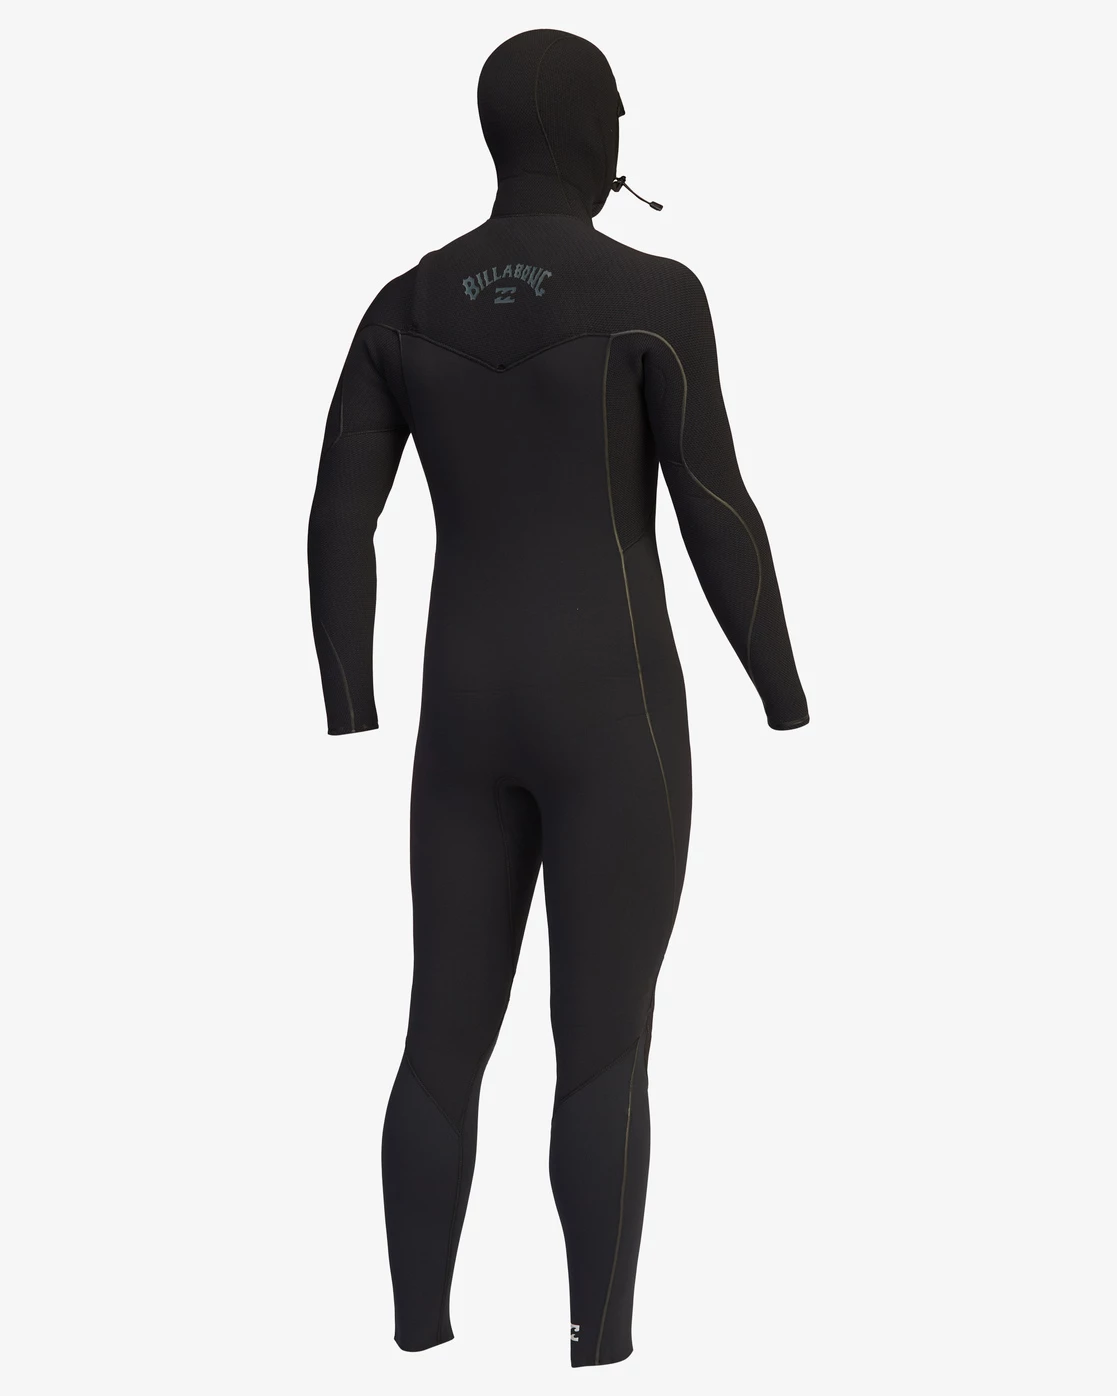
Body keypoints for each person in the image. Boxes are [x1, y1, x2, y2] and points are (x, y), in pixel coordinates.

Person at [308, 27, 809, 1367]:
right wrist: (781, 686)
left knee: (439, 1035)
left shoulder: (404, 306)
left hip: (462, 723)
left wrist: (350, 697)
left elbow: (337, 519)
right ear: (596, 134)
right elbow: (714, 509)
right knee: (600, 1046)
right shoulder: (652, 294)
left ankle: (418, 1329)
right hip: (614, 717)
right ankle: (598, 1338)